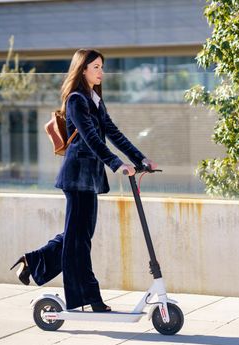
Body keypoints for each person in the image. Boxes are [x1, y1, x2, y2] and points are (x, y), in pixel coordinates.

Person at [10, 49, 156, 312]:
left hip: (89, 179)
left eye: (102, 67)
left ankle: (32, 262)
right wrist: (116, 164)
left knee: (77, 236)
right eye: (96, 67)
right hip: (77, 177)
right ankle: (90, 298)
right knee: (80, 240)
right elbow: (91, 138)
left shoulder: (95, 99)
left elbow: (113, 133)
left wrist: (141, 158)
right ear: (83, 69)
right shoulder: (77, 99)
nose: (101, 72)